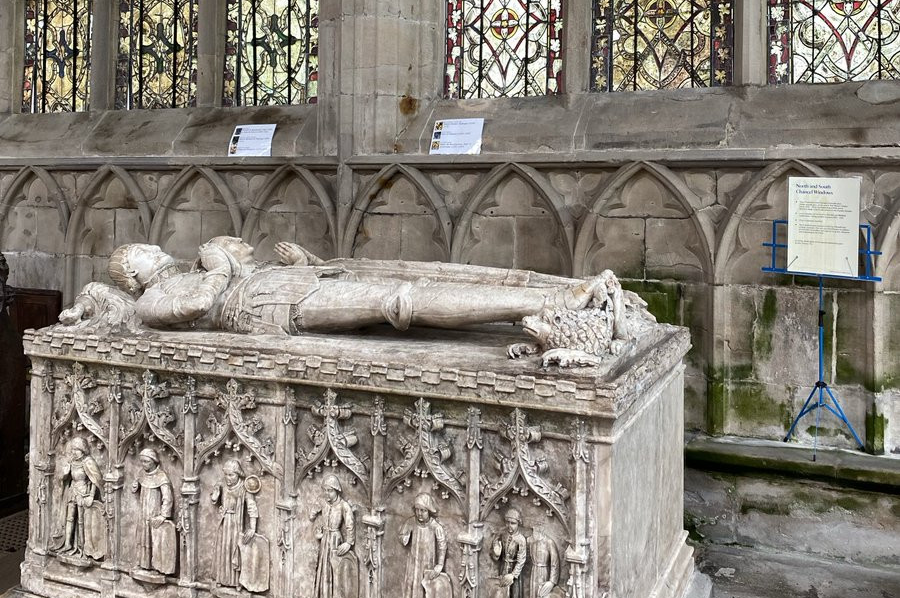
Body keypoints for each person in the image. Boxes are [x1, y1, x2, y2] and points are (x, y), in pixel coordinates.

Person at [99, 236, 606, 338]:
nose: (154, 248)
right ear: (135, 276)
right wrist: (218, 264)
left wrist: (305, 261)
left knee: (410, 281)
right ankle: (549, 304)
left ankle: (552, 295)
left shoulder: (187, 269)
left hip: (290, 284)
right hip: (269, 309)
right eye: (142, 252)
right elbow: (201, 304)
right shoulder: (151, 302)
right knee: (399, 302)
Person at [398, 492, 448, 598]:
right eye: (417, 510)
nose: (420, 514)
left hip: (428, 565)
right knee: (411, 590)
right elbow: (402, 535)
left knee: (427, 594)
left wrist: (439, 565)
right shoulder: (411, 522)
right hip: (413, 564)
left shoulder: (435, 527)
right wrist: (404, 537)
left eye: (423, 510)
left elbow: (442, 545)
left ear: (429, 510)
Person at [211, 458, 261, 594]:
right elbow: (214, 498)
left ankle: (236, 582)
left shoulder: (244, 488)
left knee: (235, 551)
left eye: (231, 475)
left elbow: (252, 507)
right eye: (226, 475)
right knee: (223, 550)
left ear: (238, 474)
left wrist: (252, 528)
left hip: (237, 524)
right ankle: (221, 578)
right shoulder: (222, 485)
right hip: (224, 522)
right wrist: (215, 495)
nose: (228, 478)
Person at [310, 473, 356, 598]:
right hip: (325, 539)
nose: (327, 493)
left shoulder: (343, 506)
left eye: (330, 490)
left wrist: (348, 543)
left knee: (334, 570)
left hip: (336, 540)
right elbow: (312, 515)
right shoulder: (323, 503)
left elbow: (350, 525)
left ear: (337, 490)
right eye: (325, 490)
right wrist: (318, 533)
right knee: (323, 569)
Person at [58, 436, 106, 561]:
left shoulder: (88, 461)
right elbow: (63, 478)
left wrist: (91, 496)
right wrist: (65, 472)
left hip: (83, 492)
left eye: (76, 449)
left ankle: (82, 547)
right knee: (69, 518)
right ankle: (68, 544)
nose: (74, 452)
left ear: (83, 449)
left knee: (81, 520)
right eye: (73, 449)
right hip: (73, 490)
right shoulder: (72, 462)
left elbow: (95, 479)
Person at [131, 447, 176, 579]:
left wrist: (163, 515)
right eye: (142, 461)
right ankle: (144, 564)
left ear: (154, 461)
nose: (143, 464)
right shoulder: (142, 473)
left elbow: (167, 497)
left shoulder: (161, 476)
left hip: (154, 512)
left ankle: (155, 566)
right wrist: (135, 486)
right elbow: (137, 485)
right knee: (142, 536)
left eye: (146, 462)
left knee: (154, 539)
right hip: (143, 512)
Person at [491, 507, 527, 598]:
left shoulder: (521, 539)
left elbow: (521, 560)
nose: (510, 526)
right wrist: (496, 553)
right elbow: (495, 553)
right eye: (508, 522)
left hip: (514, 577)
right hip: (502, 571)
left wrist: (513, 575)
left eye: (513, 523)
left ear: (518, 523)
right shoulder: (502, 535)